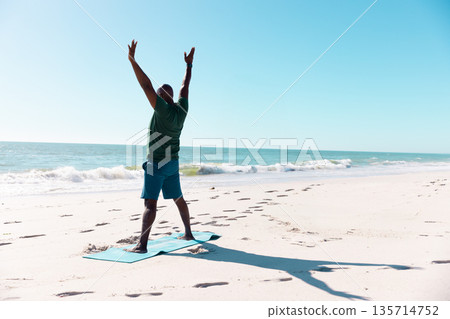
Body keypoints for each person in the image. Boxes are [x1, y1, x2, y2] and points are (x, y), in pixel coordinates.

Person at [127, 39, 195, 253]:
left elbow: (145, 85)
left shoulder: (162, 110)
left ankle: (142, 245)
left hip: (156, 163)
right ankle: (189, 233)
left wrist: (132, 60)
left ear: (160, 99)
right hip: (172, 164)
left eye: (156, 97)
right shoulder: (181, 109)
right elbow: (185, 86)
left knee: (150, 204)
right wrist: (189, 66)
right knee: (178, 198)